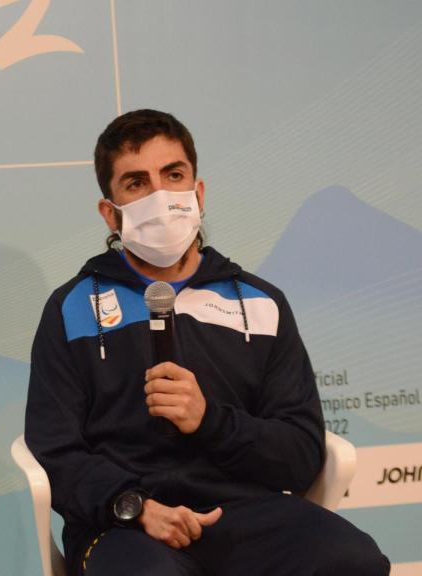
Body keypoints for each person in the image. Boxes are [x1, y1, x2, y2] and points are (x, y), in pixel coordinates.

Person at [24, 109, 389, 575]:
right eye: (136, 183)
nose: (160, 195)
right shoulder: (72, 308)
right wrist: (135, 507)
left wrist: (209, 420)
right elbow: (56, 450)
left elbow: (299, 452)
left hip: (244, 512)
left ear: (197, 193)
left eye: (173, 175)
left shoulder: (261, 304)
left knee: (352, 560)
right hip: (125, 526)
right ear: (110, 212)